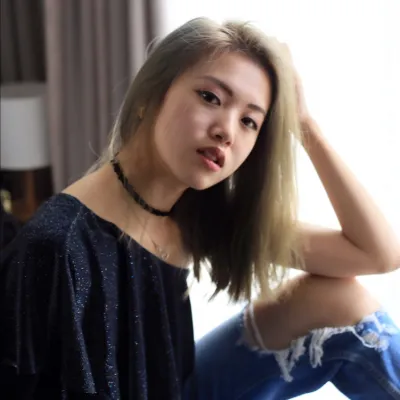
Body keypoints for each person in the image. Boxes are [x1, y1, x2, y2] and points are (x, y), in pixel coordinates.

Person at [1, 17, 399, 400]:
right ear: (150, 97)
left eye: (249, 121)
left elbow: (377, 254)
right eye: (211, 98)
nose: (227, 131)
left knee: (340, 300)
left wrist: (304, 124)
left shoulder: (193, 212)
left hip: (178, 388)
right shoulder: (58, 248)